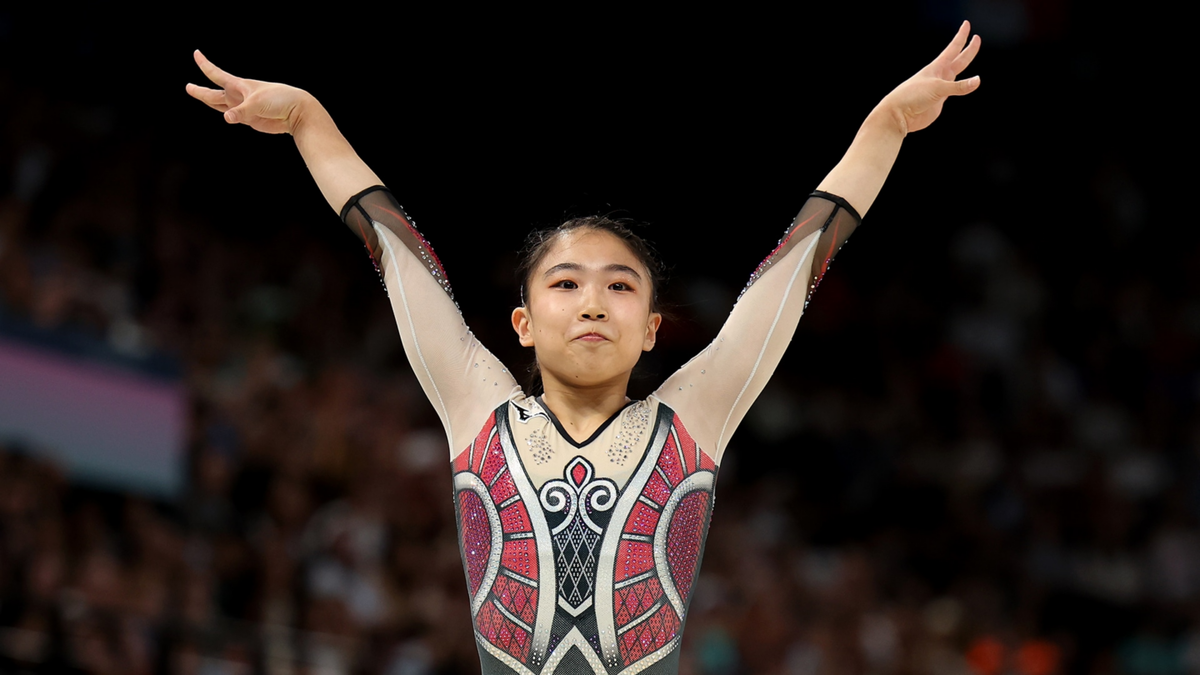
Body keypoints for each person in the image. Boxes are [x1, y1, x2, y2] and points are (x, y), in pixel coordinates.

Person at [188, 23, 980, 675]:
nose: (594, 301)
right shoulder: (479, 408)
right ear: (522, 322)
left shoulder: (691, 418)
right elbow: (392, 248)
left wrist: (885, 128)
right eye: (564, 284)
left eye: (621, 287)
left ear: (653, 330)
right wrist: (306, 120)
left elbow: (800, 263)